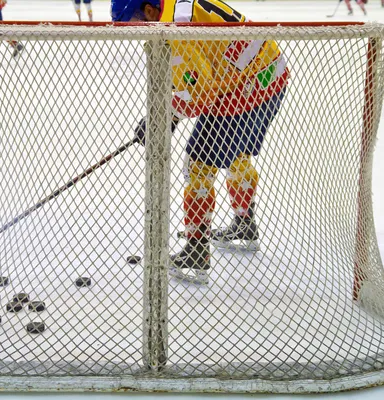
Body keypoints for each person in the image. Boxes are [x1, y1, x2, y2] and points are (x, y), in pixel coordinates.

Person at [111, 0, 288, 284]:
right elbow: (192, 78)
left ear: (147, 10)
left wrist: (165, 118)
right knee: (235, 154)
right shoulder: (174, 9)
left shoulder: (174, 29)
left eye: (132, 23)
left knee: (198, 163)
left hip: (242, 88)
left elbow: (201, 94)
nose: (135, 32)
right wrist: (166, 116)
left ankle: (196, 255)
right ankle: (244, 225)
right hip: (270, 75)